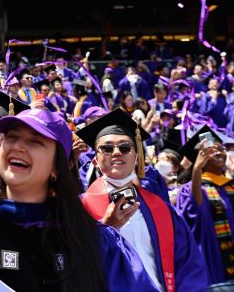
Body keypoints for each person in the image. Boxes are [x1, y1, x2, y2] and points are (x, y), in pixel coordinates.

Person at [0, 108, 158, 291]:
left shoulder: (96, 241)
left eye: (35, 142)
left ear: (56, 167)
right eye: (12, 138)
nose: (18, 147)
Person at [78, 108, 208, 291]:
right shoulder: (79, 209)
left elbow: (189, 264)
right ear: (94, 161)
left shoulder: (161, 208)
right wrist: (105, 230)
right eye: (107, 148)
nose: (116, 152)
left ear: (136, 156)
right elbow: (75, 266)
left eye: (125, 147)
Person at [176, 125, 234, 284]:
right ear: (199, 157)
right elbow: (196, 209)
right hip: (211, 263)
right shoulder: (188, 190)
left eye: (222, 148)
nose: (220, 152)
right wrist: (197, 170)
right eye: (212, 149)